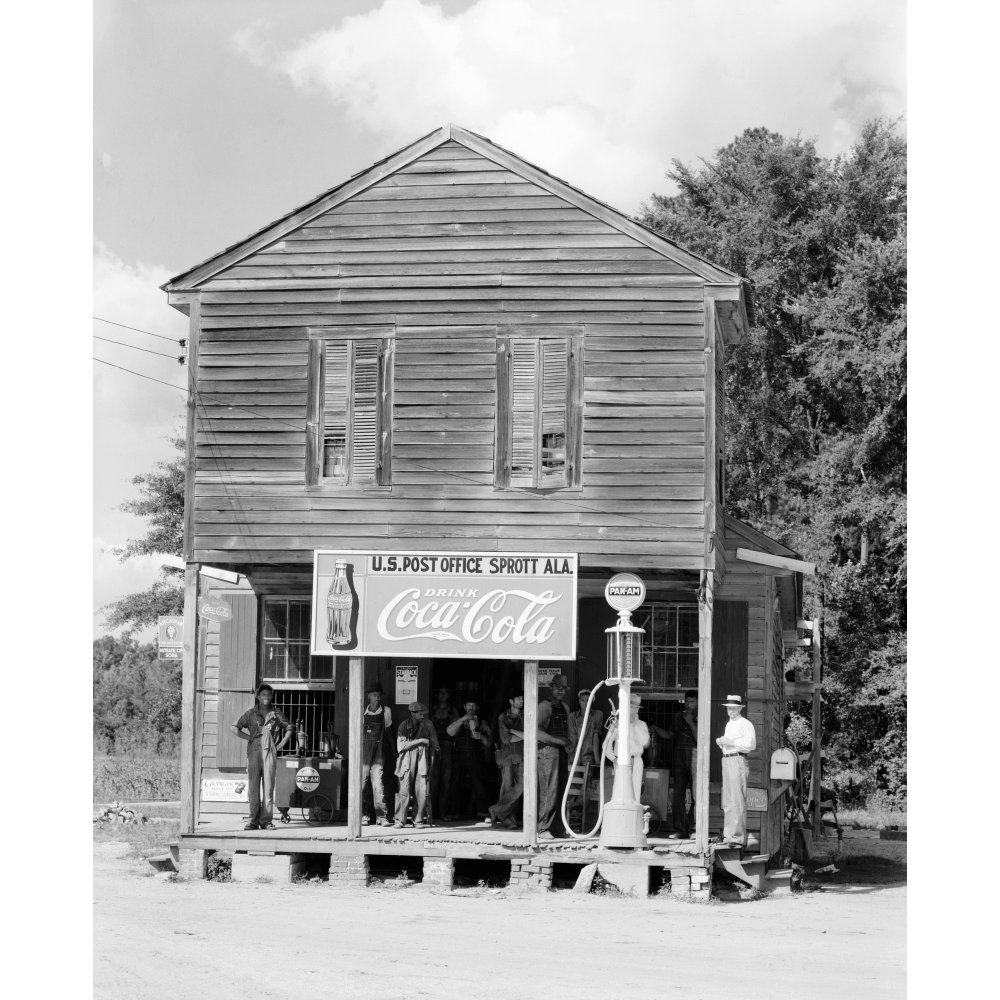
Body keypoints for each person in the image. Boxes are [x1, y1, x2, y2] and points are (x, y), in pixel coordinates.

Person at [232, 684, 291, 831]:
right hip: (253, 752)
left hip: (269, 753)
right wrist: (249, 738)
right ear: (258, 696)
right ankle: (253, 821)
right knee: (253, 789)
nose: (267, 697)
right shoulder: (250, 713)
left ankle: (266, 821)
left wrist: (280, 745)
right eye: (264, 694)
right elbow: (234, 728)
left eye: (269, 695)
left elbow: (289, 728)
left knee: (269, 788)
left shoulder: (276, 713)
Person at [715, 694, 757, 847]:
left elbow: (751, 745)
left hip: (737, 760)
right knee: (728, 800)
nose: (730, 711)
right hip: (727, 759)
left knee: (737, 799)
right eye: (728, 708)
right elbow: (730, 744)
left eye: (733, 708)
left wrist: (730, 742)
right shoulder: (729, 724)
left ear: (739, 708)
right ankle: (729, 835)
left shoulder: (745, 724)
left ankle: (737, 837)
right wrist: (722, 743)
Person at [535, 674, 571, 839]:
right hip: (547, 752)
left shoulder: (564, 707)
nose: (561, 691)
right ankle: (543, 828)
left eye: (563, 688)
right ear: (551, 687)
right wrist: (558, 741)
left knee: (561, 789)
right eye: (558, 687)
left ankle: (557, 828)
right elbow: (537, 732)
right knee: (549, 790)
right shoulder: (544, 706)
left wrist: (569, 743)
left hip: (561, 752)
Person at [485, 690, 525, 829]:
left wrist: (513, 731)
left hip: (522, 755)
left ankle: (495, 811)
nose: (522, 701)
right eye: (519, 698)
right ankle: (509, 821)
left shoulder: (526, 715)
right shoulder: (503, 717)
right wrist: (522, 735)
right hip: (507, 756)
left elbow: (530, 734)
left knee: (522, 786)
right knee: (506, 788)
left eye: (522, 699)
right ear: (511, 701)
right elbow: (506, 739)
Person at [394, 701, 439, 828]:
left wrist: (431, 765)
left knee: (421, 791)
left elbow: (435, 746)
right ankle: (400, 820)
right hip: (406, 760)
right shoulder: (404, 725)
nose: (422, 715)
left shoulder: (428, 725)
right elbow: (401, 746)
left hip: (422, 760)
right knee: (404, 790)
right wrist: (421, 741)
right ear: (412, 714)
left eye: (423, 712)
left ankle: (418, 820)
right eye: (419, 713)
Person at [447, 699, 493, 820]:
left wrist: (481, 737)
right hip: (459, 755)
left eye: (473, 705)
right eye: (468, 705)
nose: (471, 707)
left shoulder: (482, 721)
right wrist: (462, 719)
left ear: (477, 708)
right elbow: (449, 732)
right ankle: (453, 813)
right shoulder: (459, 721)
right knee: (455, 783)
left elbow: (488, 743)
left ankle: (483, 813)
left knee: (479, 783)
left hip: (475, 756)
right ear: (464, 707)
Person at [603, 692, 650, 803]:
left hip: (637, 760)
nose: (634, 710)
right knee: (620, 791)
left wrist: (634, 725)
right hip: (622, 761)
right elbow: (606, 745)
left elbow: (645, 742)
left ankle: (634, 819)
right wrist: (614, 759)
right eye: (631, 707)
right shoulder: (617, 723)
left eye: (636, 708)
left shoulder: (642, 724)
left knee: (636, 792)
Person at [566, 687, 603, 826]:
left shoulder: (597, 715)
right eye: (582, 700)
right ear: (579, 701)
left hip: (588, 757)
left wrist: (598, 760)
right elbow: (571, 737)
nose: (585, 703)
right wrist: (570, 755)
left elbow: (595, 737)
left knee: (585, 789)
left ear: (592, 701)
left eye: (588, 701)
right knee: (572, 787)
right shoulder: (572, 716)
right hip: (573, 757)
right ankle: (571, 819)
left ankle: (581, 819)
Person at [361, 681, 393, 826]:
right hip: (364, 754)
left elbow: (389, 733)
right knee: (363, 784)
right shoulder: (362, 712)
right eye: (374, 695)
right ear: (369, 696)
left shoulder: (386, 711)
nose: (377, 698)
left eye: (379, 696)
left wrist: (394, 751)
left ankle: (382, 817)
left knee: (378, 784)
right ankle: (365, 815)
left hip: (379, 753)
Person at [669, 689, 698, 839]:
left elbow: (699, 739)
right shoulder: (678, 717)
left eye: (692, 702)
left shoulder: (701, 716)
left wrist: (690, 722)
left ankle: (694, 829)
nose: (689, 704)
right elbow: (671, 735)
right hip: (679, 755)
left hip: (695, 755)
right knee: (678, 794)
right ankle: (680, 829)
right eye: (687, 701)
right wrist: (655, 729)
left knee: (696, 794)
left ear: (698, 703)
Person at [430, 687, 459, 821]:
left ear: (449, 695)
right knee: (433, 781)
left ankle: (443, 812)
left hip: (447, 748)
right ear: (436, 694)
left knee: (446, 781)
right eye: (440, 692)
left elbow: (456, 730)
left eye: (445, 692)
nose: (442, 694)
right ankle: (432, 812)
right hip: (433, 748)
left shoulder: (452, 710)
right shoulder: (432, 708)